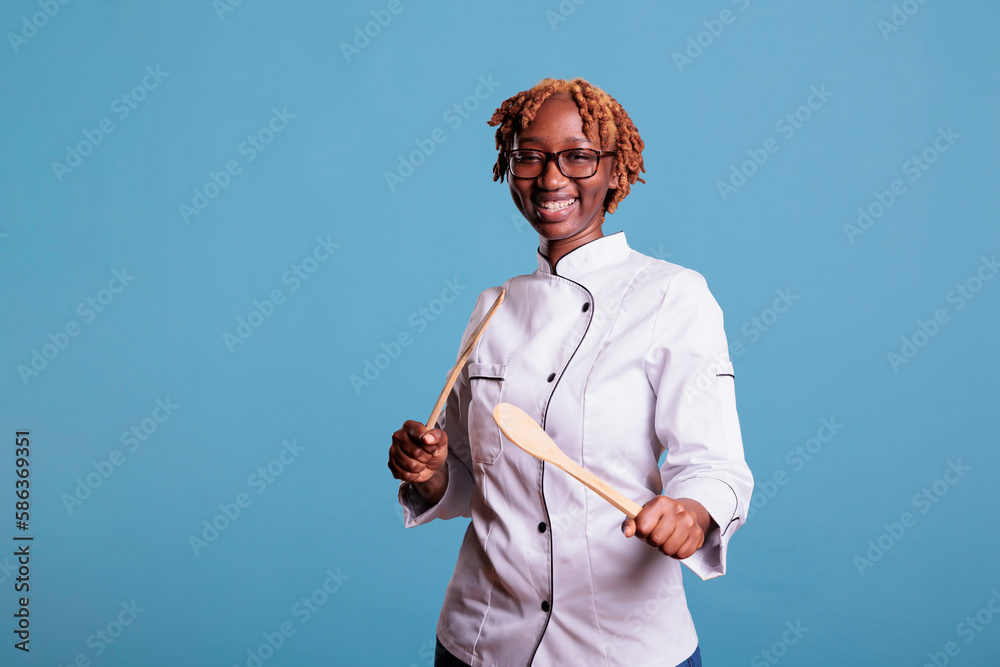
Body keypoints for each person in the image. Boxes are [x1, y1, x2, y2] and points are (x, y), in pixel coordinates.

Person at [388, 77, 753, 667]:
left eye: (579, 156)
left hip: (624, 649)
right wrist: (428, 473)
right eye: (529, 157)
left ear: (615, 170)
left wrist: (690, 512)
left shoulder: (671, 296)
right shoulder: (492, 308)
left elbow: (715, 468)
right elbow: (470, 483)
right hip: (480, 643)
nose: (551, 178)